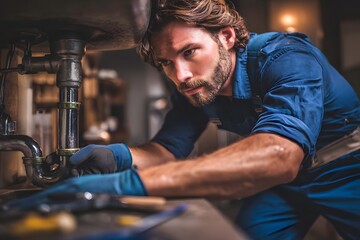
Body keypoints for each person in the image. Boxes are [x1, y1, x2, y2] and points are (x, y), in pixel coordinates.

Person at [3, 0, 359, 239]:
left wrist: (124, 186)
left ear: (227, 36)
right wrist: (115, 157)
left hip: (346, 166)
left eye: (189, 52)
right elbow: (168, 148)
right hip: (286, 182)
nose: (181, 75)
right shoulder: (195, 89)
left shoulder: (285, 56)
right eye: (166, 63)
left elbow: (279, 156)